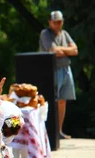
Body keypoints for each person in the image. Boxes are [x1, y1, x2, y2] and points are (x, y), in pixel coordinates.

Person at [39, 10, 79, 139]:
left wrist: (63, 50)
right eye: (55, 22)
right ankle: (49, 132)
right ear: (50, 22)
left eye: (60, 22)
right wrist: (67, 50)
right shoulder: (45, 33)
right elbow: (53, 51)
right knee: (51, 100)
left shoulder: (65, 33)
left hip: (66, 70)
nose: (57, 24)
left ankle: (59, 131)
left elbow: (75, 50)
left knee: (62, 101)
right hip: (52, 69)